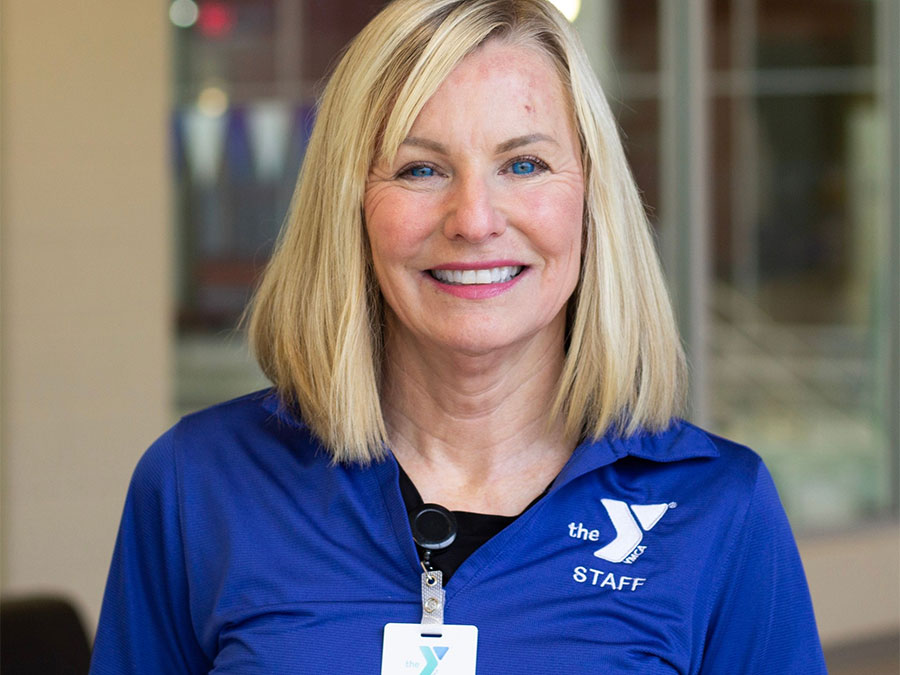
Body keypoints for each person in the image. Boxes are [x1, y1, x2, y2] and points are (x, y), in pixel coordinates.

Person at [90, 0, 827, 672]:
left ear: (591, 201)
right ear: (350, 210)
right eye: (420, 168)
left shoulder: (719, 509)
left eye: (524, 163)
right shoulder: (199, 484)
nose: (474, 219)